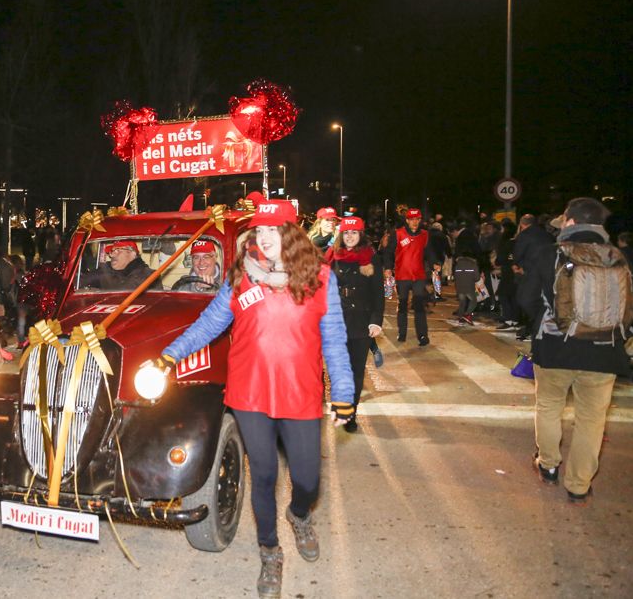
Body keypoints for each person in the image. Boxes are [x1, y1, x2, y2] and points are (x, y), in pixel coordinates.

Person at [155, 199, 355, 599]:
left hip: (300, 393)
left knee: (307, 480)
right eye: (259, 230)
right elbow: (210, 323)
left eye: (272, 230)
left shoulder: (320, 278)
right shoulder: (240, 276)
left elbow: (334, 338)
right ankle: (269, 551)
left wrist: (344, 392)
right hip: (250, 393)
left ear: (291, 234)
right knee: (263, 475)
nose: (263, 238)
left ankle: (299, 515)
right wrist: (170, 355)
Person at [518, 198, 633, 503]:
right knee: (592, 420)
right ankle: (579, 485)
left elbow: (525, 298)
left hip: (555, 348)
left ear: (570, 222)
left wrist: (543, 320)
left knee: (549, 406)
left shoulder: (550, 254)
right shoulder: (619, 257)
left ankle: (548, 466)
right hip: (604, 352)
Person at [325, 217, 384, 432]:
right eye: (346, 233)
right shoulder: (332, 256)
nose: (350, 237)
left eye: (354, 233)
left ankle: (351, 413)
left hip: (361, 322)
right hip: (336, 321)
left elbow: (378, 293)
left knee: (356, 371)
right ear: (341, 235)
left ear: (361, 235)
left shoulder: (371, 258)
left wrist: (376, 321)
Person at [383, 208, 437, 346]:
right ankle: (402, 333)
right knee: (402, 305)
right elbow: (388, 252)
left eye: (417, 219)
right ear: (407, 220)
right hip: (402, 276)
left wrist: (434, 264)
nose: (415, 222)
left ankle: (423, 335)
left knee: (419, 305)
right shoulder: (398, 233)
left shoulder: (425, 235)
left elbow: (429, 252)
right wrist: (388, 267)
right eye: (412, 219)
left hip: (418, 276)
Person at [80, 240, 157, 290]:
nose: (112, 255)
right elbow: (80, 282)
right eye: (112, 251)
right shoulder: (105, 271)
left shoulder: (149, 276)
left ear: (132, 254)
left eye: (118, 251)